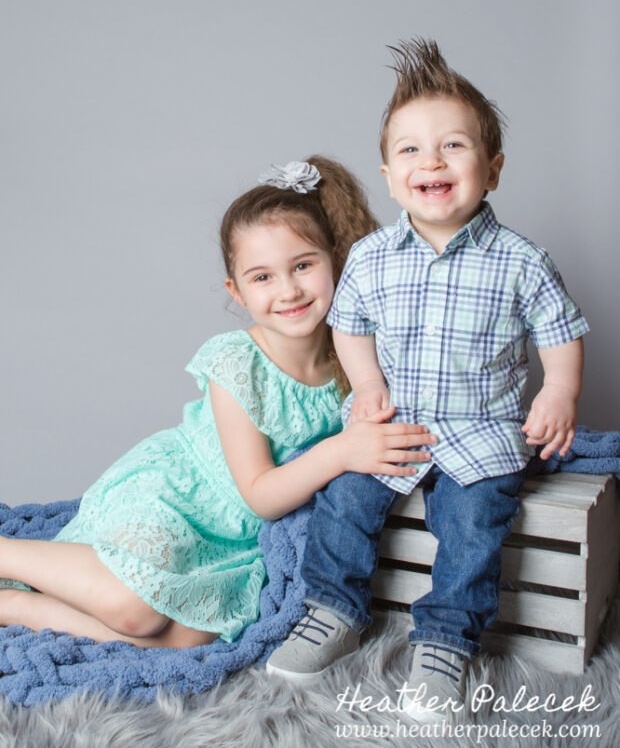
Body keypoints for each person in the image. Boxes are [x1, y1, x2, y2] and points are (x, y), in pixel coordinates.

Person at [266, 41, 589, 719]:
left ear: (492, 169)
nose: (432, 161)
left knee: (473, 524)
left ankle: (444, 640)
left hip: (482, 433)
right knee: (345, 499)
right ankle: (332, 608)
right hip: (397, 426)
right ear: (388, 176)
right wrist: (366, 383)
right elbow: (349, 324)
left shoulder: (522, 261)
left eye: (452, 146)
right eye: (410, 150)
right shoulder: (373, 259)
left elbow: (559, 333)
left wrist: (558, 391)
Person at [0, 156, 435, 649]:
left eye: (303, 265)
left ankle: (15, 606)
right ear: (237, 291)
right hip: (180, 498)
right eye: (262, 277)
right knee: (134, 612)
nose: (288, 290)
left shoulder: (356, 361)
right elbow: (258, 492)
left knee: (193, 636)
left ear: (336, 260)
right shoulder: (236, 363)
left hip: (236, 541)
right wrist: (342, 451)